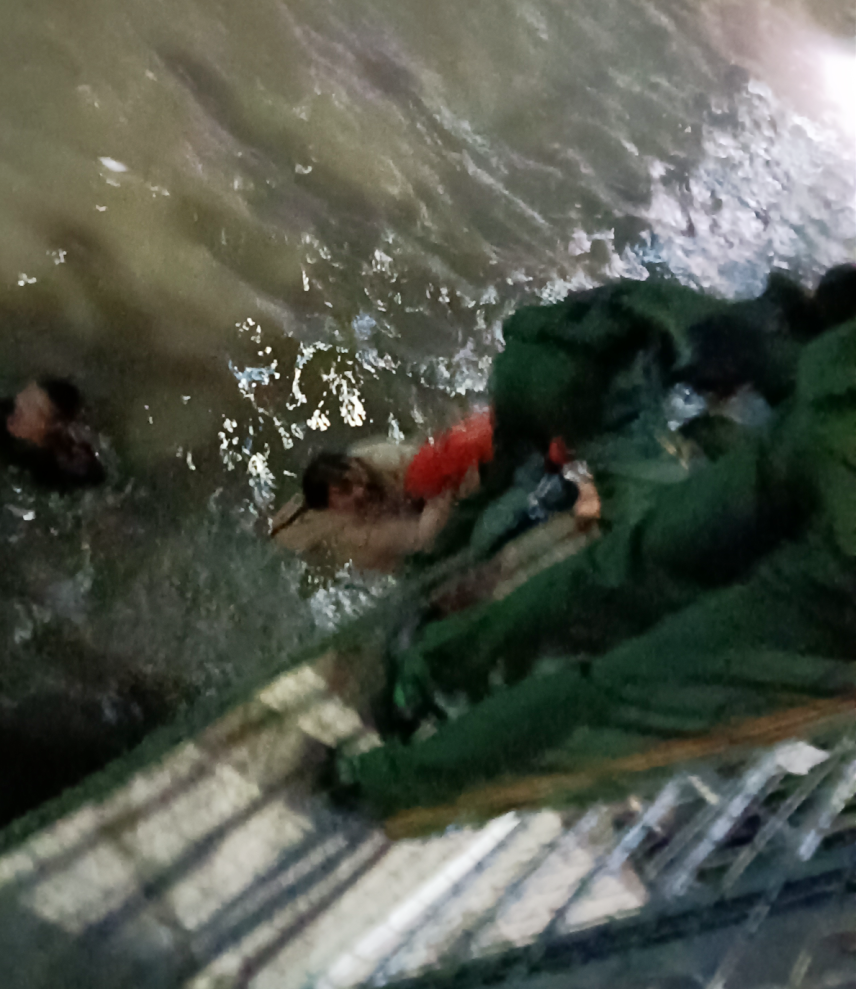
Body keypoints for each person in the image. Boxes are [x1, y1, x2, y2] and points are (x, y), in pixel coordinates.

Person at [332, 265, 856, 820]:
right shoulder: (772, 354)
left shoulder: (768, 339)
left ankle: (423, 669)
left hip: (537, 363)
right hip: (607, 406)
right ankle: (404, 779)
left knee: (603, 571)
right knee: (629, 683)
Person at [270, 411, 496, 574]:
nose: (360, 491)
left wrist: (450, 458)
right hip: (320, 542)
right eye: (346, 491)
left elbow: (425, 459)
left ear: (353, 463)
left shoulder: (373, 458)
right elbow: (421, 540)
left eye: (354, 480)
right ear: (332, 507)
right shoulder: (355, 534)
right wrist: (444, 491)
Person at [0, 378, 105, 490]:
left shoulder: (71, 467)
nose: (20, 401)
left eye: (32, 407)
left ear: (49, 431)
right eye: (24, 398)